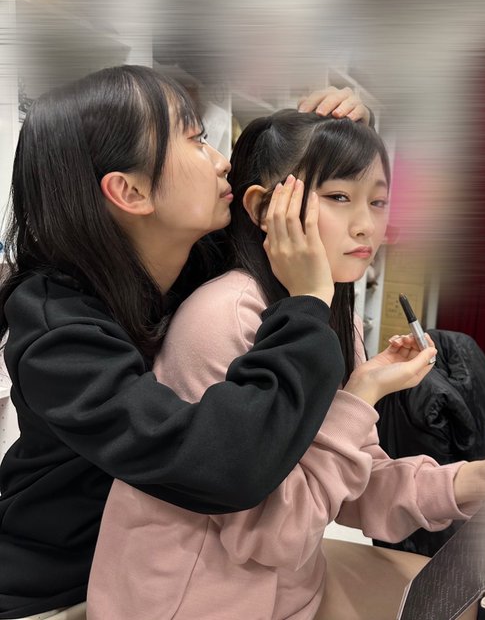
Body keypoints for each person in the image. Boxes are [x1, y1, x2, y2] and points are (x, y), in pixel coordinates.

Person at [88, 110, 485, 620]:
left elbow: (354, 485)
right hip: (190, 602)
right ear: (263, 207)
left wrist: (484, 479)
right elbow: (272, 533)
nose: (365, 225)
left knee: (460, 600)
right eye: (338, 197)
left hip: (284, 585)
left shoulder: (332, 316)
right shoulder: (223, 319)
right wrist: (360, 396)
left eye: (378, 201)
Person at [0, 66, 396, 620]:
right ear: (130, 191)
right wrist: (307, 304)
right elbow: (229, 467)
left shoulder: (196, 262)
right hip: (67, 588)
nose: (222, 161)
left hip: (181, 563)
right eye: (195, 139)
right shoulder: (57, 336)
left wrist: (331, 140)